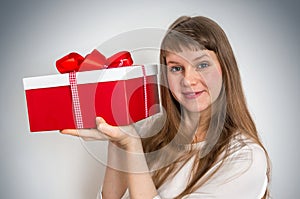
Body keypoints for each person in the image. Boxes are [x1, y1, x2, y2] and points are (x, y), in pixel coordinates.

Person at [61, 16, 271, 199]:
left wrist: (132, 144)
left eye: (202, 65)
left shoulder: (245, 158)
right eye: (176, 68)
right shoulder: (150, 130)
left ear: (225, 69)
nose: (188, 80)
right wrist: (118, 140)